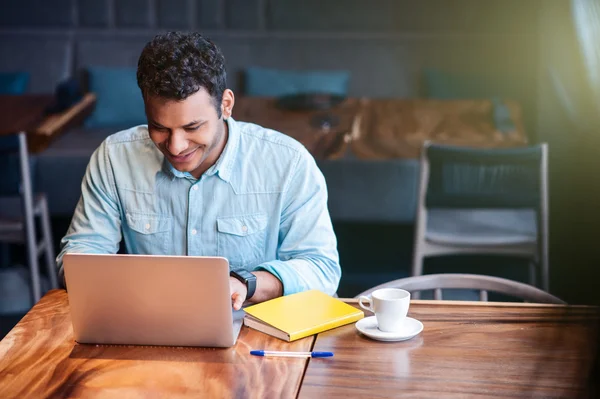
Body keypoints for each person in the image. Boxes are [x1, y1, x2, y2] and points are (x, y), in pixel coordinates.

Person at [56, 32, 341, 310]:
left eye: (192, 127)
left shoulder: (288, 162)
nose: (176, 146)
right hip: (147, 325)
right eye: (159, 128)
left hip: (254, 335)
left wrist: (247, 284)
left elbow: (322, 269)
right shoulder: (114, 158)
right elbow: (78, 260)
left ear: (226, 105)